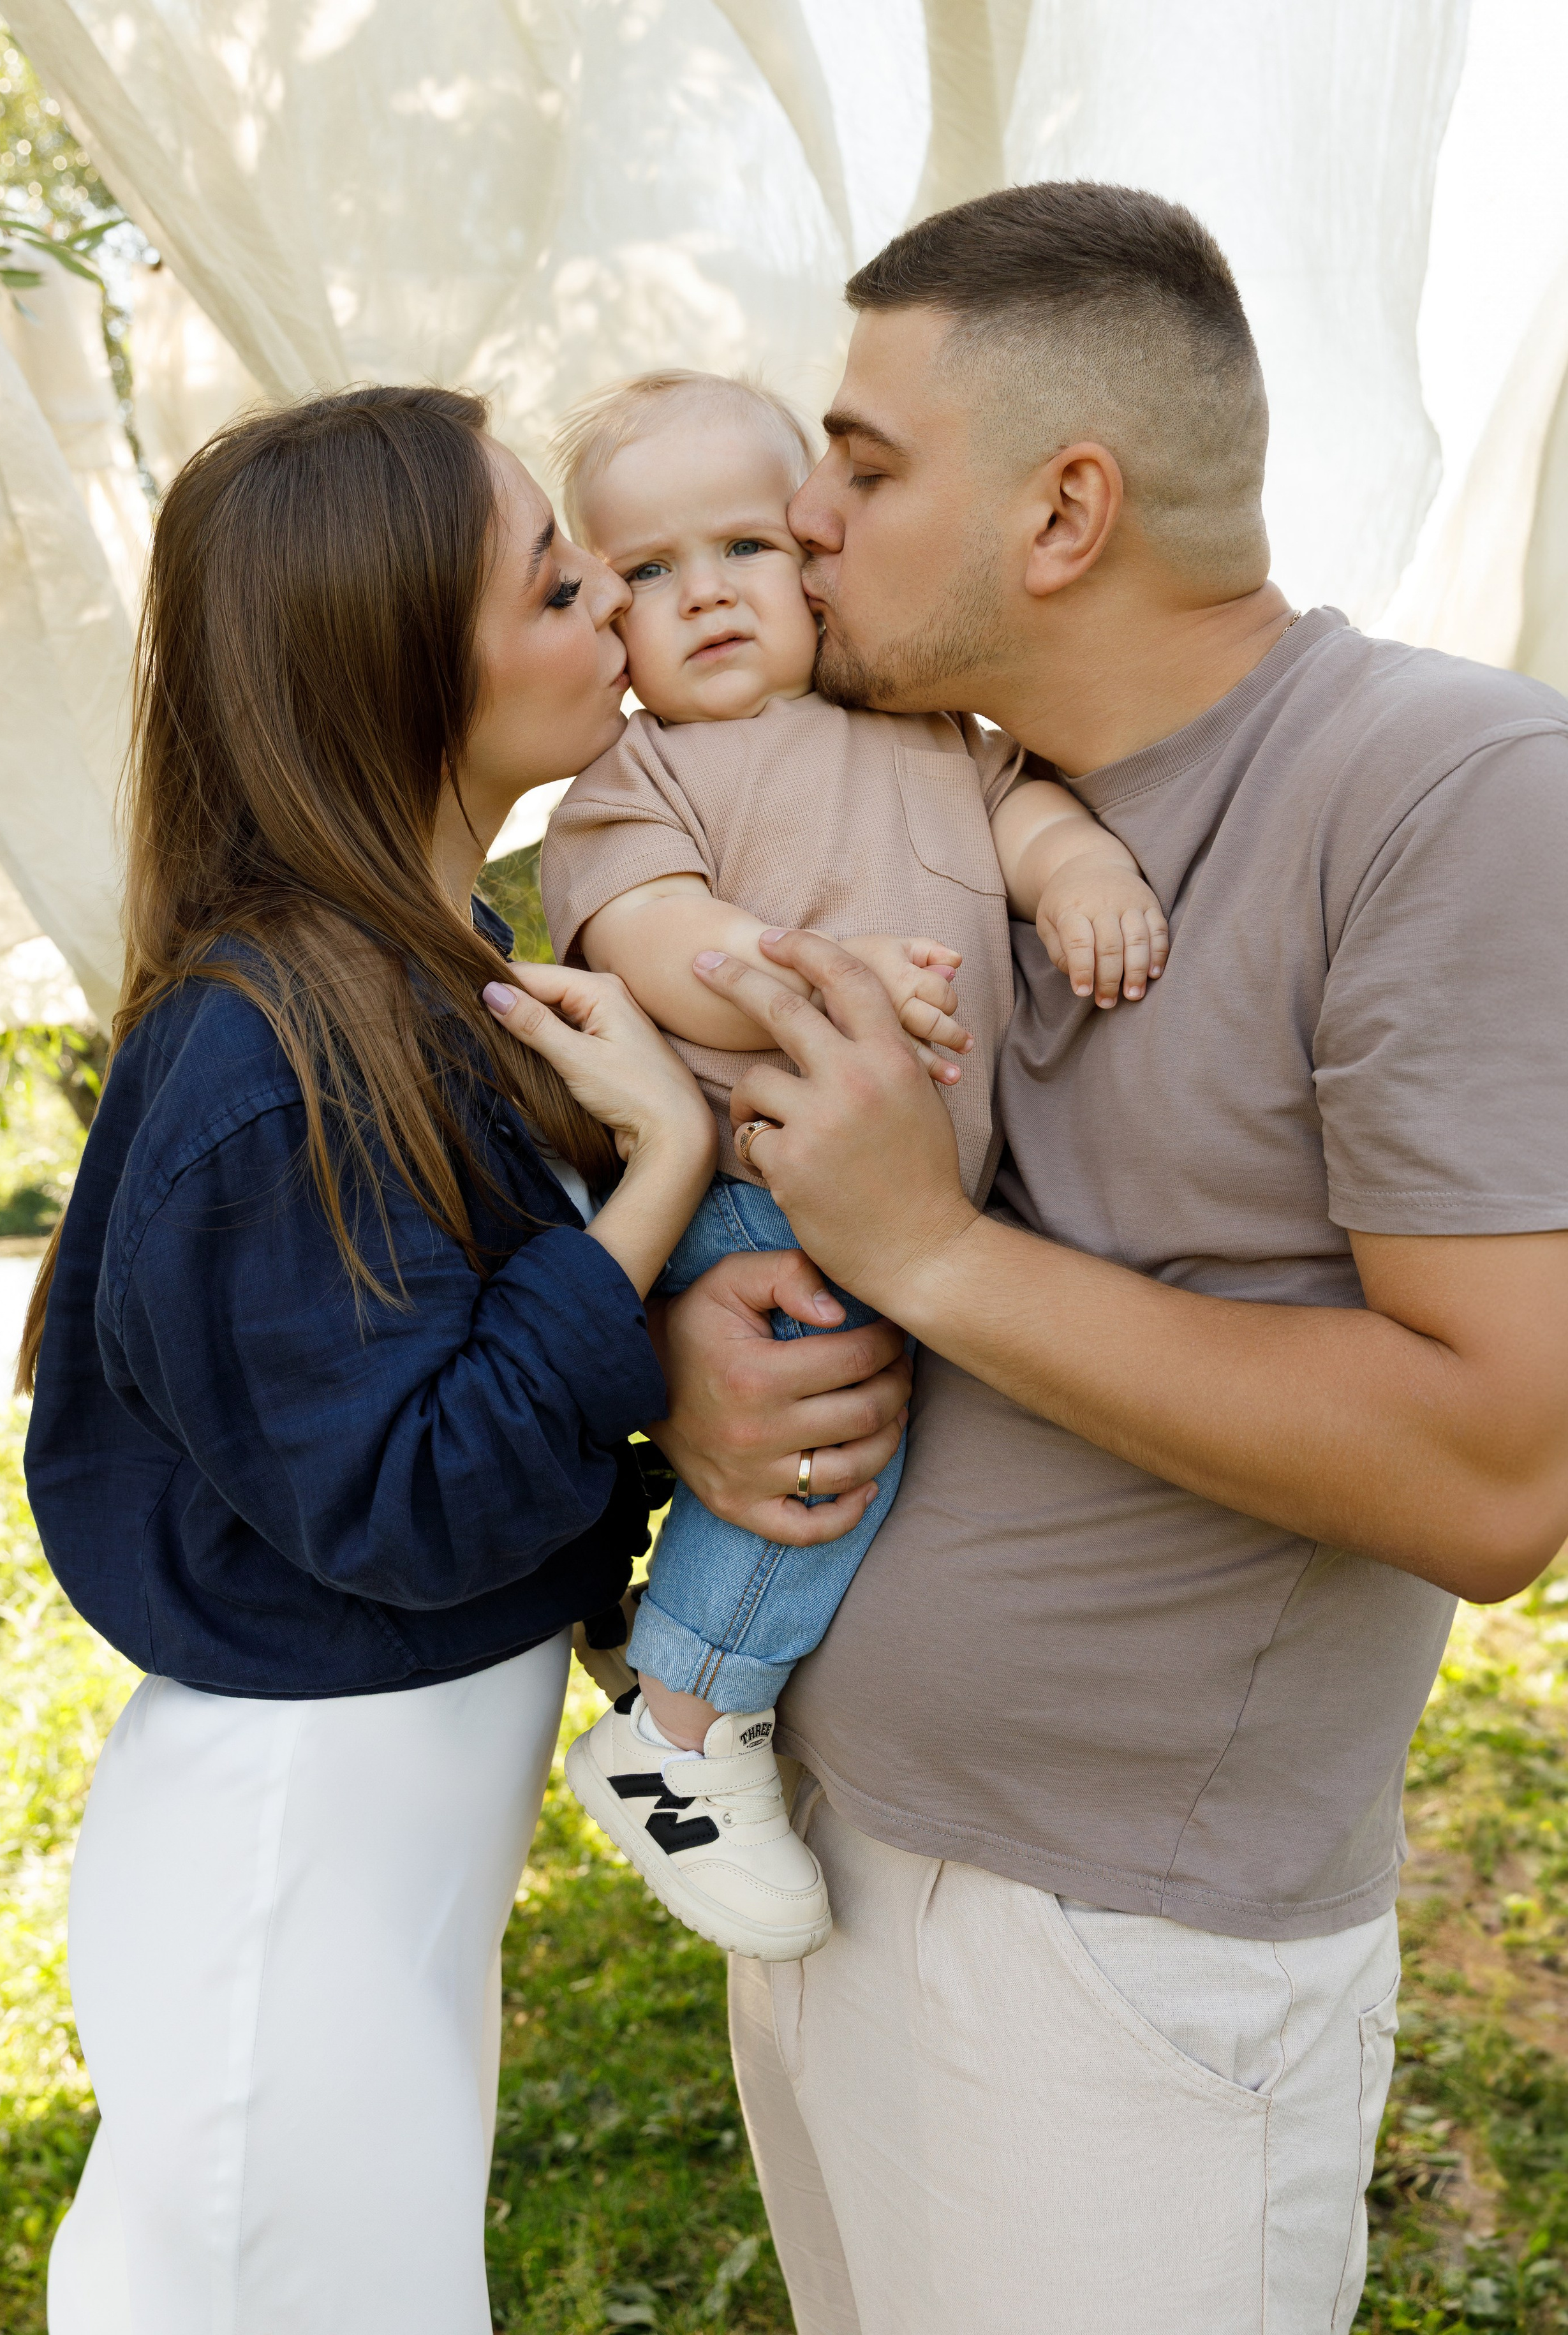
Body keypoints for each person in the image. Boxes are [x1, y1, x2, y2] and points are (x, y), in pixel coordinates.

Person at [610, 184, 1568, 2332]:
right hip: (821, 1861)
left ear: (1065, 512)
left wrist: (922, 1253)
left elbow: (1501, 1473)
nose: (800, 517)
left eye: (858, 467)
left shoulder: (1444, 788)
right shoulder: (906, 790)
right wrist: (707, 1343)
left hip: (1130, 1963)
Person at [18, 383, 733, 2335]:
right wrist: (660, 1175)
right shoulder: (267, 1051)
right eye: (554, 578)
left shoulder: (427, 975)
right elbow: (409, 1491)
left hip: (376, 1859)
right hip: (293, 1863)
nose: (615, 602)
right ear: (401, 658)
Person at [533, 366, 1167, 1963]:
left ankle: (661, 1654)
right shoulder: (635, 781)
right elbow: (652, 941)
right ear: (604, 618)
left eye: (743, 547)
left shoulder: (920, 726)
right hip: (765, 1181)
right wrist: (804, 971)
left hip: (909, 1193)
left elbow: (1023, 822)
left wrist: (1078, 865)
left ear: (814, 555)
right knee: (823, 1440)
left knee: (873, 1426)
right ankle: (678, 1730)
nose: (708, 597)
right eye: (649, 575)